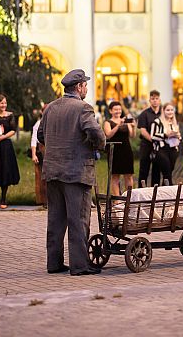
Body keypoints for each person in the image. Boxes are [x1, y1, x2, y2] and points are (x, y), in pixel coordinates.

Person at [38, 69, 106, 276]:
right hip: (76, 172)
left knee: (56, 219)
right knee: (78, 219)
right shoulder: (83, 108)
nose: (86, 88)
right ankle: (79, 265)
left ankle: (54, 263)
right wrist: (98, 145)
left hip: (53, 170)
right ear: (78, 87)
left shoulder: (51, 108)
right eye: (85, 85)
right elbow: (96, 133)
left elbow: (41, 135)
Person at [103, 101, 135, 195]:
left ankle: (129, 197)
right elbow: (108, 135)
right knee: (115, 175)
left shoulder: (126, 121)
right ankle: (117, 200)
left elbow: (132, 135)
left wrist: (133, 126)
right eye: (115, 109)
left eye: (119, 109)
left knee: (128, 175)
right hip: (114, 151)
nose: (118, 111)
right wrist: (118, 126)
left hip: (126, 150)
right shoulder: (107, 122)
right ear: (110, 111)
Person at [149, 102, 181, 186]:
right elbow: (152, 136)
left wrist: (178, 136)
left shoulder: (174, 122)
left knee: (170, 170)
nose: (170, 112)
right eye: (168, 110)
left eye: (171, 110)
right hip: (161, 149)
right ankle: (169, 188)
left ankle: (164, 190)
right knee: (166, 171)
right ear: (163, 111)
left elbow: (179, 137)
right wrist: (165, 135)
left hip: (173, 149)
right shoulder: (157, 122)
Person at [137, 90, 162, 186]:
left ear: (159, 100)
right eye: (153, 99)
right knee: (144, 169)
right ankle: (141, 192)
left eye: (156, 99)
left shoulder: (163, 113)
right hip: (146, 145)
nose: (155, 101)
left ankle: (154, 194)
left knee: (157, 169)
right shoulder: (144, 114)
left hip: (159, 146)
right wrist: (153, 139)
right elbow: (143, 131)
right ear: (149, 100)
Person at [30, 107, 47, 206]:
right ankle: (42, 199)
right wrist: (33, 154)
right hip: (41, 150)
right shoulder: (38, 124)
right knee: (41, 176)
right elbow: (34, 139)